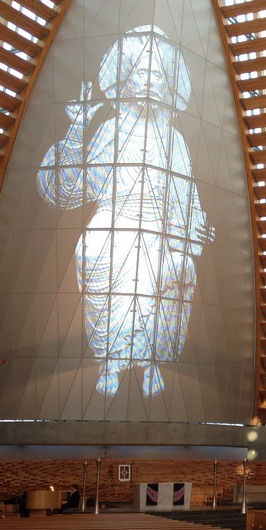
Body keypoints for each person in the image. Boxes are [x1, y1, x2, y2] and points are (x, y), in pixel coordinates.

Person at [37, 25, 214, 397]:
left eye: (156, 74)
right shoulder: (112, 129)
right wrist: (77, 128)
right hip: (113, 221)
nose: (148, 81)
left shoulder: (175, 139)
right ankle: (109, 362)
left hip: (155, 228)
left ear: (167, 82)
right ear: (126, 75)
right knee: (94, 250)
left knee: (166, 271)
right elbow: (70, 189)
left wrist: (197, 229)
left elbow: (187, 197)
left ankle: (149, 362)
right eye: (141, 72)